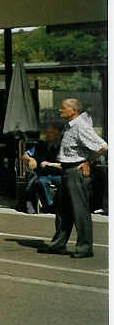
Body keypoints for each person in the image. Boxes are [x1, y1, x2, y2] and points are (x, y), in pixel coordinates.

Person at [39, 99, 107, 258]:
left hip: (75, 172)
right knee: (63, 210)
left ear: (73, 110)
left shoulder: (80, 126)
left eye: (63, 108)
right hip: (66, 170)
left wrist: (87, 162)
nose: (60, 110)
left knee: (79, 211)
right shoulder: (69, 126)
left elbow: (103, 146)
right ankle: (58, 244)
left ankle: (85, 247)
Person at [21, 124, 62, 213]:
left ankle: (57, 205)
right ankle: (49, 205)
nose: (48, 135)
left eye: (50, 133)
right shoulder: (40, 146)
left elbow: (64, 165)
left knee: (65, 183)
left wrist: (50, 164)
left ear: (57, 135)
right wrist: (30, 159)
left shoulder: (62, 148)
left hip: (58, 174)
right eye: (47, 133)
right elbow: (24, 155)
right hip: (44, 175)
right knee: (40, 182)